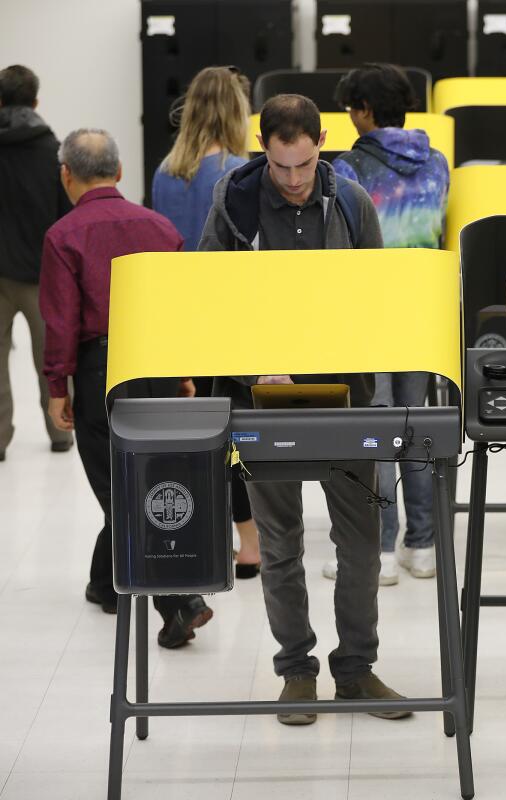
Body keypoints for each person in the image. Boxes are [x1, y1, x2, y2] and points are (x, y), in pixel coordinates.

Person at [198, 94, 407, 726]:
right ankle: (296, 671)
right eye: (282, 166)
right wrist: (251, 369)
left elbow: (379, 300)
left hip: (344, 399)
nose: (293, 180)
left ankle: (357, 669)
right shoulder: (232, 206)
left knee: (361, 544)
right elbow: (208, 304)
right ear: (264, 146)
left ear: (322, 143)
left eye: (305, 164)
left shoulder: (352, 202)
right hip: (264, 398)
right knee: (280, 544)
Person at [40, 128, 213, 648]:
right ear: (119, 173)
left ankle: (180, 601)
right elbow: (177, 306)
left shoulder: (63, 236)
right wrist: (183, 368)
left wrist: (56, 385)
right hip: (156, 361)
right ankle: (107, 584)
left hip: (102, 366)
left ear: (66, 175)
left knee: (123, 487)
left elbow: (63, 321)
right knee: (150, 473)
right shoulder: (160, 228)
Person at [323, 62, 450, 582]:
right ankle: (421, 546)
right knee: (415, 426)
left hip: (369, 314)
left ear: (364, 112)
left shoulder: (347, 168)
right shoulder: (438, 162)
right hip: (423, 312)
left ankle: (375, 551)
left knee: (374, 429)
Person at [151, 65, 263, 580]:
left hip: (179, 316)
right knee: (235, 427)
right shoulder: (242, 172)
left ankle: (201, 535)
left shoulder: (164, 173)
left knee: (193, 430)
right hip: (232, 316)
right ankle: (249, 542)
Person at [0, 64, 74, 461]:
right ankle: (60, 433)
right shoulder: (52, 151)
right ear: (36, 101)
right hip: (40, 276)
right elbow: (65, 218)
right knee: (52, 359)